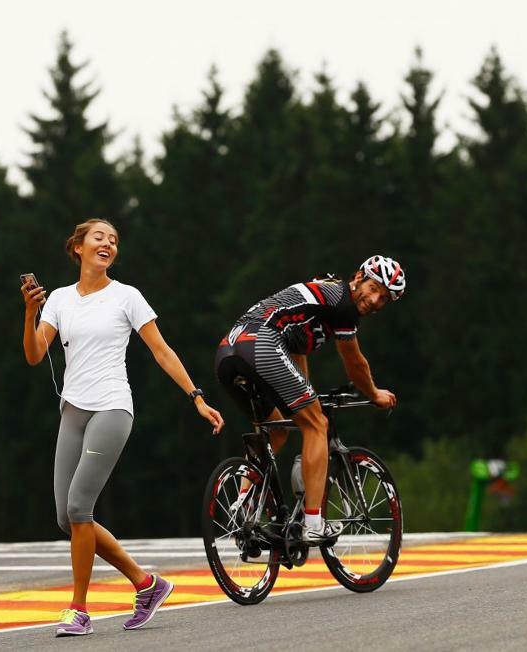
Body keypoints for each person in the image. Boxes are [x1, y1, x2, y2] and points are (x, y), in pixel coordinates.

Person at [21, 218, 224, 637]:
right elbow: (35, 355)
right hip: (73, 411)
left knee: (80, 508)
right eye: (99, 237)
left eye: (113, 240)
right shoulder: (58, 299)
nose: (108, 244)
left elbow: (161, 351)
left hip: (113, 408)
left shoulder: (126, 296)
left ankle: (78, 609)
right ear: (78, 247)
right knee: (66, 517)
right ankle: (147, 584)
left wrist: (196, 397)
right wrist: (29, 313)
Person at [214, 255, 404, 543]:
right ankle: (314, 523)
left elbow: (297, 349)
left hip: (229, 351)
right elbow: (355, 363)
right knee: (317, 424)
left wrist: (305, 393)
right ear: (358, 278)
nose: (376, 300)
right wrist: (374, 394)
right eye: (375, 288)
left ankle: (244, 506)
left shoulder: (322, 303)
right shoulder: (343, 303)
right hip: (261, 342)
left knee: (276, 431)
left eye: (385, 299)